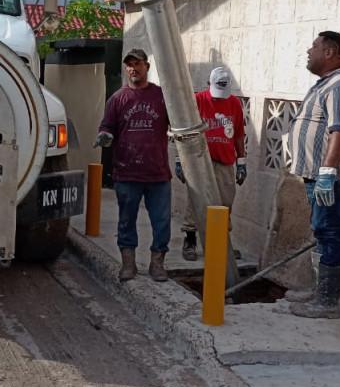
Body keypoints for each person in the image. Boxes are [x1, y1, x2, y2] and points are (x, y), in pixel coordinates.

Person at [288, 31, 340, 320]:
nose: (309, 51)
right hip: (316, 175)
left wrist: (328, 172)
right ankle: (319, 290)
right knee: (321, 230)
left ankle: (327, 301)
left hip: (328, 177)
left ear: (330, 52)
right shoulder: (327, 83)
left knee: (329, 231)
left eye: (315, 46)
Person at [95, 48, 172, 282]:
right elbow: (107, 126)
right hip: (127, 173)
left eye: (138, 64)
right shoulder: (117, 99)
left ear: (147, 66)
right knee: (126, 220)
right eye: (129, 65)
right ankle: (128, 264)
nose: (133, 69)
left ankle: (157, 263)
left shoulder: (161, 96)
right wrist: (105, 135)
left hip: (158, 173)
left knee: (162, 222)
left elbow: (178, 124)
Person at [174, 66, 247, 261]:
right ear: (209, 84)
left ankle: (222, 243)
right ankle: (190, 240)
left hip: (225, 160)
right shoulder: (198, 100)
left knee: (225, 202)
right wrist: (179, 159)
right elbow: (182, 130)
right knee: (195, 200)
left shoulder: (234, 103)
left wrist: (241, 161)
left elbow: (239, 134)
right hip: (199, 160)